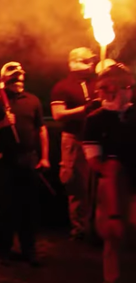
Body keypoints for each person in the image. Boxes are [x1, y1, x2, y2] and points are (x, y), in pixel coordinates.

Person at [0, 62, 50, 266]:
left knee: (29, 207)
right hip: (4, 162)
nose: (19, 80)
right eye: (14, 77)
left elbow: (42, 129)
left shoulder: (33, 100)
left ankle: (29, 251)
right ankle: (3, 251)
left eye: (21, 77)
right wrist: (2, 123)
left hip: (28, 160)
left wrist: (44, 157)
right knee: (5, 208)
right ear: (5, 80)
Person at [82, 63, 136, 283]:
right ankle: (112, 281)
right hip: (112, 185)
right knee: (113, 235)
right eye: (108, 86)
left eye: (125, 85)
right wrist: (113, 175)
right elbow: (94, 160)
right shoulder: (96, 119)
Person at [51, 48, 99, 240]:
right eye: (86, 61)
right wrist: (85, 109)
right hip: (73, 140)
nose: (91, 64)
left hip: (95, 139)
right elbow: (58, 115)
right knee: (75, 184)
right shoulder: (62, 87)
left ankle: (96, 227)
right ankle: (79, 229)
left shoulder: (98, 83)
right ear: (73, 63)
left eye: (92, 61)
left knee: (95, 185)